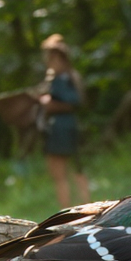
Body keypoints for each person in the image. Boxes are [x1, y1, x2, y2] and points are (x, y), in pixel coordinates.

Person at [38, 34, 90, 207]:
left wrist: (48, 103)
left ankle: (68, 211)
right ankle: (82, 205)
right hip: (67, 125)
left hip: (60, 127)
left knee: (60, 174)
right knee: (74, 168)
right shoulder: (67, 77)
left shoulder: (62, 79)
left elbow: (72, 101)